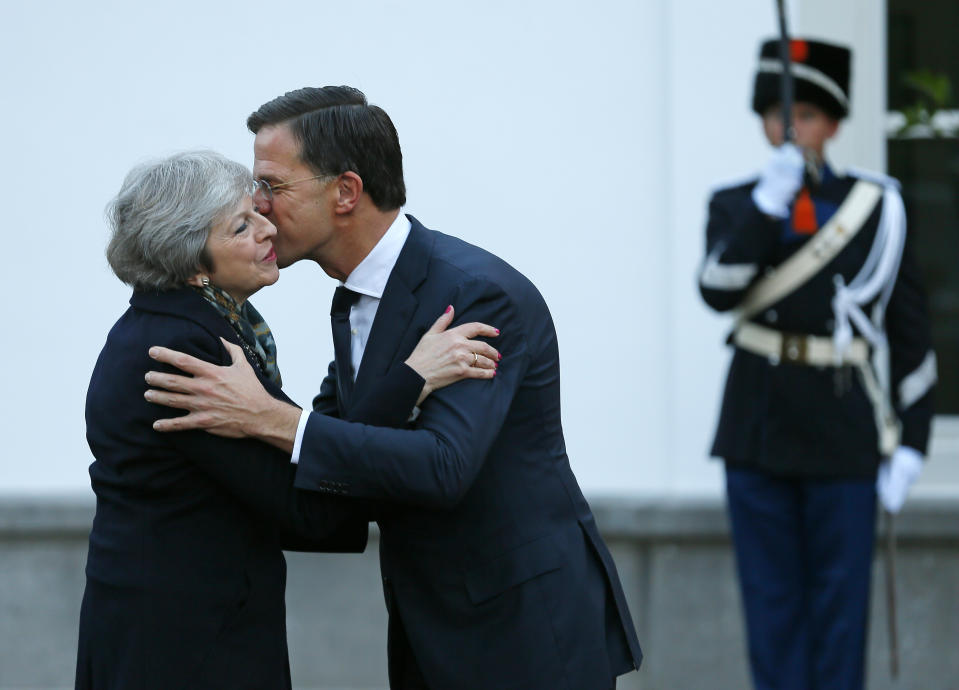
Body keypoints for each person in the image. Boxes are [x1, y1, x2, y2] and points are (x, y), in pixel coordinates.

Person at [144, 86, 643, 689]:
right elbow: (346, 448)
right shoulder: (353, 297)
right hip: (428, 632)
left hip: (521, 635)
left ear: (346, 192)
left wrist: (268, 419)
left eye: (272, 186)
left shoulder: (476, 295)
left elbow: (443, 466)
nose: (258, 206)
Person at [77, 150, 499, 689]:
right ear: (192, 263)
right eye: (241, 226)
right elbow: (310, 511)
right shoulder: (182, 350)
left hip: (179, 630)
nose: (267, 228)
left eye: (258, 212)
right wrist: (409, 379)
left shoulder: (196, 325)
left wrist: (366, 369)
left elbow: (285, 439)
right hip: (184, 647)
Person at [697, 39, 936, 690]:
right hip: (758, 426)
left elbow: (909, 331)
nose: (789, 128)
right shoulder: (735, 205)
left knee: (839, 615)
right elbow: (716, 290)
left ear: (831, 123)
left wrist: (912, 442)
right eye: (778, 115)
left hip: (842, 430)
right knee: (770, 611)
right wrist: (764, 210)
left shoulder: (875, 208)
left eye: (805, 114)